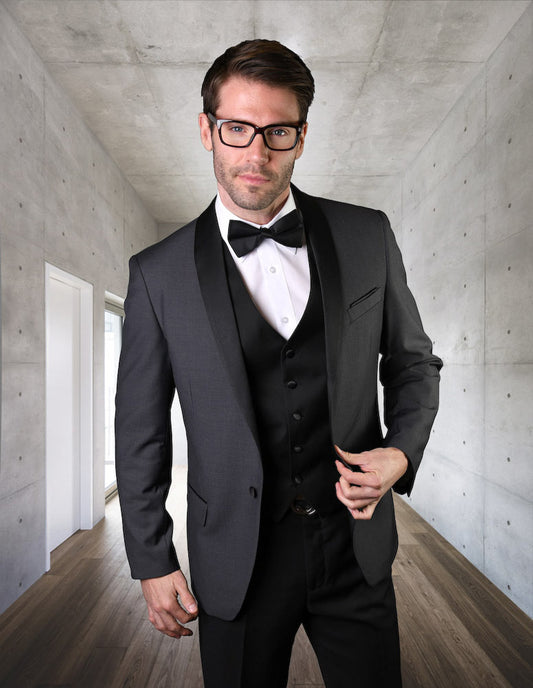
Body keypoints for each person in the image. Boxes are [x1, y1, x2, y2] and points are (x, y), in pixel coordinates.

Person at [115, 39, 442, 688]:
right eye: (237, 129)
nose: (256, 153)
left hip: (355, 547)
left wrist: (400, 452)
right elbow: (140, 430)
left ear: (301, 136)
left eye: (278, 131)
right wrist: (152, 560)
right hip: (236, 558)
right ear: (206, 130)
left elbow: (412, 366)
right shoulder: (156, 275)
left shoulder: (365, 235)